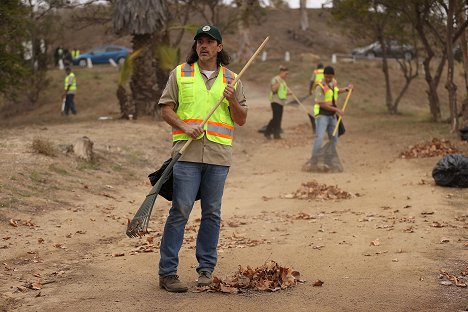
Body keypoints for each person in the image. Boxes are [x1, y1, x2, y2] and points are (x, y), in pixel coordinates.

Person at [157, 25, 247, 293]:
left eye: (210, 42)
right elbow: (165, 108)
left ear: (220, 47)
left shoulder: (233, 79)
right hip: (187, 154)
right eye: (200, 41)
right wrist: (184, 127)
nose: (203, 46)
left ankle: (206, 270)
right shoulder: (180, 73)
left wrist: (232, 101)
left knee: (211, 213)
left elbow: (241, 119)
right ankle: (167, 273)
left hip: (219, 157)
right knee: (180, 211)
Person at [304, 66, 352, 172]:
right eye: (327, 77)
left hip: (332, 116)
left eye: (330, 77)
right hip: (322, 116)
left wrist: (345, 89)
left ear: (333, 76)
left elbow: (335, 91)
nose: (328, 79)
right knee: (319, 138)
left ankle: (329, 160)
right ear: (324, 75)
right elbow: (321, 104)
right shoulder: (319, 86)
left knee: (334, 138)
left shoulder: (333, 83)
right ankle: (314, 161)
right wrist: (337, 109)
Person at [264, 65, 289, 139]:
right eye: (286, 73)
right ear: (281, 72)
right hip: (275, 101)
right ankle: (267, 132)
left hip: (281, 102)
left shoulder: (283, 81)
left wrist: (289, 93)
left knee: (279, 118)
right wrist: (279, 82)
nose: (286, 75)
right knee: (275, 118)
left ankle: (276, 134)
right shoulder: (275, 79)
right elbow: (273, 89)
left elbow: (283, 91)